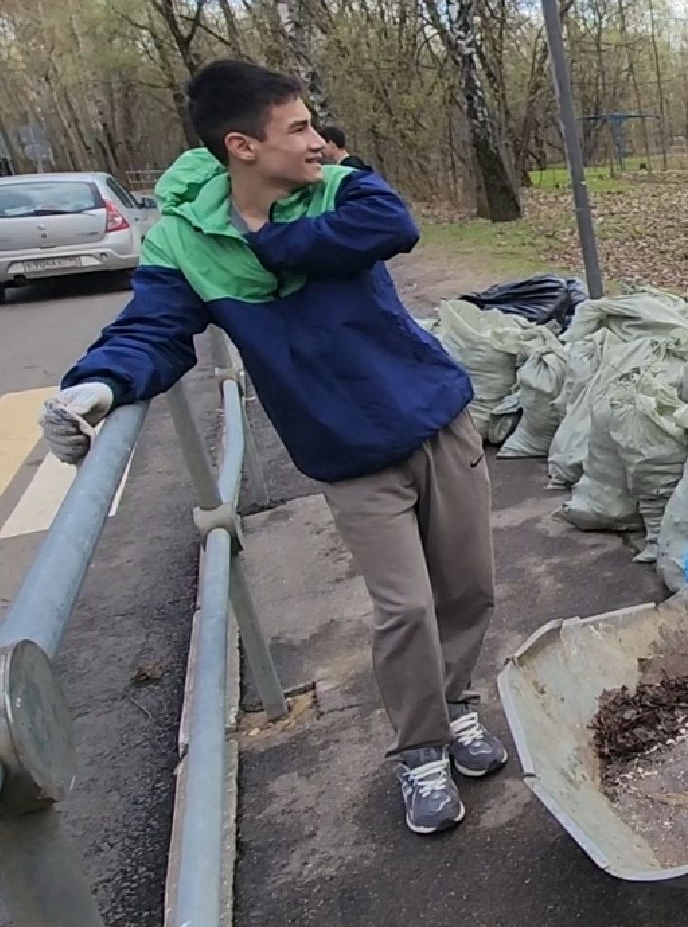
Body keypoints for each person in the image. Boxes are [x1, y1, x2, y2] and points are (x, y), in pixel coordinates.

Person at [38, 59, 504, 836]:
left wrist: (271, 241)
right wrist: (97, 385)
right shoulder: (185, 241)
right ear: (241, 146)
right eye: (298, 128)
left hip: (434, 416)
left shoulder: (337, 188)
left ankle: (457, 706)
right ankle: (420, 750)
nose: (319, 141)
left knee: (468, 590)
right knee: (405, 609)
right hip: (347, 452)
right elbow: (153, 329)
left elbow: (393, 225)